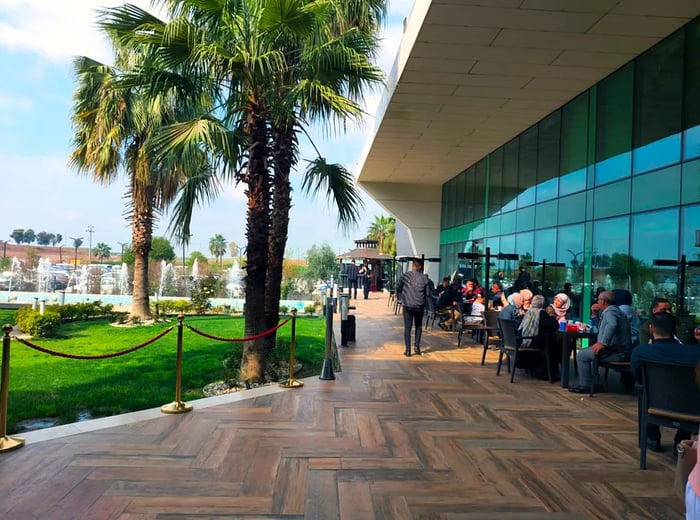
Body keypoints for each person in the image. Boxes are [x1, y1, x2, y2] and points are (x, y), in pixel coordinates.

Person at [631, 312, 700, 454]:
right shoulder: (695, 353)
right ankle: (681, 440)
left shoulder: (641, 352)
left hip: (655, 405)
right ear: (675, 330)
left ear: (651, 328)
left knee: (645, 389)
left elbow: (638, 376)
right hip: (692, 408)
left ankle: (652, 437)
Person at [569, 290, 632, 394]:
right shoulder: (614, 311)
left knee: (582, 355)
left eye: (598, 299)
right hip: (616, 350)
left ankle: (586, 385)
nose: (597, 302)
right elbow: (602, 327)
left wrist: (602, 343)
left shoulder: (611, 312)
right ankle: (595, 383)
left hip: (617, 352)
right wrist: (595, 315)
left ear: (603, 302)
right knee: (587, 351)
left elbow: (612, 324)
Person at [518, 294, 561, 379]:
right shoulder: (541, 313)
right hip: (533, 341)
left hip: (524, 339)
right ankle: (548, 372)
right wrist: (552, 315)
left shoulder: (529, 312)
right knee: (556, 344)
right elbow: (554, 325)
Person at [395, 259, 430, 357]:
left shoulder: (405, 276)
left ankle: (408, 350)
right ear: (420, 267)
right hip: (419, 306)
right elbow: (427, 294)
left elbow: (398, 287)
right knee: (418, 326)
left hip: (408, 304)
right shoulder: (425, 278)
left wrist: (403, 294)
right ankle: (417, 348)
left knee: (407, 327)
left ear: (412, 266)